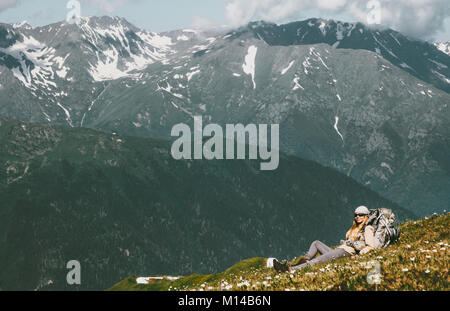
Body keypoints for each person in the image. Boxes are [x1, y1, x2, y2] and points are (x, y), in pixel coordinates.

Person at [273, 206, 375, 273]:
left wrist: (359, 255)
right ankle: (304, 260)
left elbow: (370, 246)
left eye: (361, 215)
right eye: (356, 215)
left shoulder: (367, 228)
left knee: (319, 260)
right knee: (316, 243)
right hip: (340, 251)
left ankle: (290, 269)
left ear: (366, 216)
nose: (357, 217)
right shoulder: (354, 228)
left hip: (347, 253)